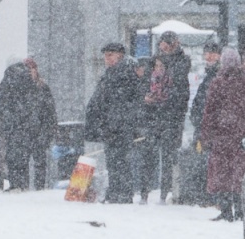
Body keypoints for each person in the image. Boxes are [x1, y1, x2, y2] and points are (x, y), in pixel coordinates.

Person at [200, 52, 245, 222]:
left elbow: (210, 112)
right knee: (240, 173)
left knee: (222, 173)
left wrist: (206, 134)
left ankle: (226, 210)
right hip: (243, 137)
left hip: (222, 135)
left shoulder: (217, 83)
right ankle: (241, 210)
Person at [83, 42, 141, 204]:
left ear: (119, 55)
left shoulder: (125, 74)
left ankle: (122, 192)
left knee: (120, 160)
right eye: (105, 56)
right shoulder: (112, 73)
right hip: (111, 125)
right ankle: (116, 191)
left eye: (110, 55)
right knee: (113, 160)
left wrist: (116, 120)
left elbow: (124, 102)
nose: (106, 59)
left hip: (119, 125)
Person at [0, 58, 58, 191]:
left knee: (38, 161)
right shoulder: (19, 90)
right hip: (26, 131)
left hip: (38, 131)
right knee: (21, 159)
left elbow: (49, 112)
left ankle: (38, 187)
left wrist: (47, 131)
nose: (30, 73)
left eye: (32, 69)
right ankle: (21, 185)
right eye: (28, 70)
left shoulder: (42, 88)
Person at [143, 32, 193, 202]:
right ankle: (145, 191)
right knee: (149, 154)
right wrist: (147, 98)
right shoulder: (153, 62)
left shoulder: (181, 61)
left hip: (171, 116)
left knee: (168, 155)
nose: (164, 47)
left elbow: (179, 89)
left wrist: (164, 100)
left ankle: (165, 192)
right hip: (154, 115)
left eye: (167, 43)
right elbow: (144, 83)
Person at [181, 42, 222, 205]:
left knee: (209, 164)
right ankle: (208, 196)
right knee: (205, 163)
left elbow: (211, 104)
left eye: (213, 53)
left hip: (211, 131)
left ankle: (211, 196)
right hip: (205, 129)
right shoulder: (210, 75)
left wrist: (204, 120)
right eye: (207, 53)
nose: (209, 56)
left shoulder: (217, 76)